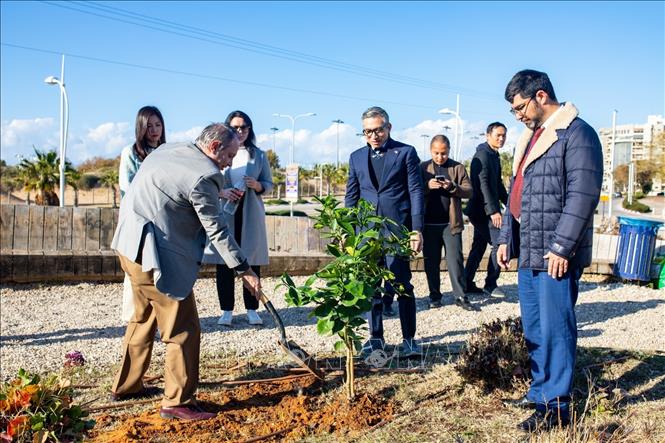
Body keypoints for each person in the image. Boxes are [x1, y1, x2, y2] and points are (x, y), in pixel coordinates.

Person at [110, 123, 261, 421]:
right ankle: (177, 402)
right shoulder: (206, 175)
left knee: (142, 319)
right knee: (184, 329)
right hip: (155, 256)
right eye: (230, 154)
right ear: (215, 147)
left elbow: (169, 189)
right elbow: (216, 229)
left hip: (127, 245)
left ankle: (126, 386)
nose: (230, 162)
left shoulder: (171, 149)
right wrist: (244, 269)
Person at [497, 70, 603, 431]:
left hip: (555, 252)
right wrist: (505, 240)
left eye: (520, 107)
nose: (518, 116)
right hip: (530, 249)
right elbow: (518, 192)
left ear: (540, 96)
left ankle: (557, 407)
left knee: (556, 328)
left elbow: (582, 195)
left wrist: (562, 246)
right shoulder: (531, 138)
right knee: (536, 328)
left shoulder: (577, 134)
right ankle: (540, 394)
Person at [345, 106, 424, 357]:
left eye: (378, 130)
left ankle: (409, 339)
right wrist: (349, 231)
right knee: (371, 287)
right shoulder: (356, 158)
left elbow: (416, 192)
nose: (373, 136)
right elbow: (352, 196)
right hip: (366, 233)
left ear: (388, 127)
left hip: (396, 231)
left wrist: (416, 229)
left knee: (402, 285)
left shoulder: (406, 153)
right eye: (368, 132)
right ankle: (375, 338)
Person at [208, 111, 273, 326]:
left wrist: (258, 185)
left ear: (250, 129)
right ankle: (226, 310)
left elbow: (269, 184)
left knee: (251, 260)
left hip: (250, 213)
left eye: (244, 127)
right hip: (226, 212)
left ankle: (252, 309)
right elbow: (207, 183)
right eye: (235, 127)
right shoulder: (217, 151)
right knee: (225, 261)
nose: (240, 131)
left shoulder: (259, 155)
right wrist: (222, 192)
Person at [118, 106, 166, 322]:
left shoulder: (167, 152)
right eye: (149, 126)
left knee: (159, 269)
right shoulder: (131, 152)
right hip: (137, 219)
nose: (154, 130)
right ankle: (134, 318)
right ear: (141, 127)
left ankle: (158, 317)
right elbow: (127, 188)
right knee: (137, 271)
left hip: (162, 220)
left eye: (158, 124)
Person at [420, 135, 476, 311]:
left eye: (443, 153)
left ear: (449, 150)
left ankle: (460, 296)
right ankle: (434, 296)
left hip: (451, 225)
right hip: (428, 225)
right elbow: (413, 191)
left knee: (455, 261)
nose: (440, 157)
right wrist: (428, 185)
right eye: (436, 153)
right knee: (431, 263)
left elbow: (469, 192)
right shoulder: (423, 167)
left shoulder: (457, 167)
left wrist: (452, 187)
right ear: (431, 150)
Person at [464, 122, 509, 298]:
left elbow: (497, 185)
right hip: (481, 211)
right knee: (499, 245)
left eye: (504, 135)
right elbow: (482, 185)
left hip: (486, 210)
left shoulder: (494, 155)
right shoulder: (482, 155)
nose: (501, 138)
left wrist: (510, 204)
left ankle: (466, 282)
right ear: (487, 135)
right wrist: (493, 211)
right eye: (498, 135)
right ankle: (491, 284)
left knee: (479, 245)